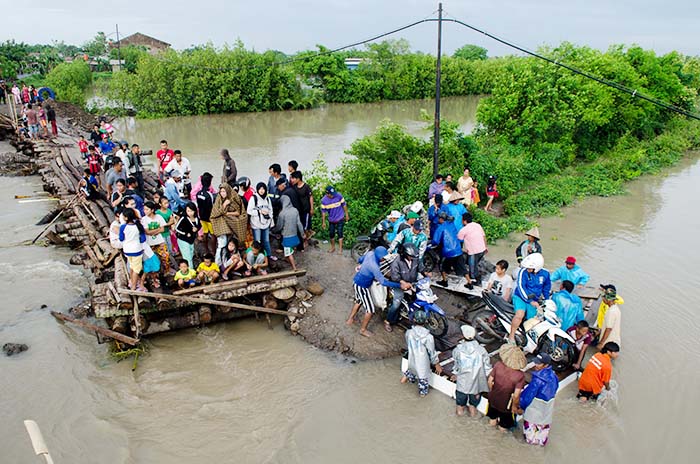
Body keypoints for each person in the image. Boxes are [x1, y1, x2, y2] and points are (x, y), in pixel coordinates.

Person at [346, 246, 407, 337]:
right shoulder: (374, 266)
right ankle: (363, 330)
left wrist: (362, 266)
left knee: (359, 301)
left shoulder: (370, 253)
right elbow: (383, 282)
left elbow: (360, 259)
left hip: (357, 282)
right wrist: (399, 285)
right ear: (379, 257)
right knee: (370, 310)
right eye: (383, 258)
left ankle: (350, 319)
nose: (383, 259)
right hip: (362, 286)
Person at [519, 353, 559, 446]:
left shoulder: (537, 380)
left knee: (529, 440)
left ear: (546, 365)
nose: (536, 365)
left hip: (533, 414)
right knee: (541, 441)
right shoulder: (554, 377)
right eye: (536, 362)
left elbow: (527, 397)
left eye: (539, 363)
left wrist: (520, 406)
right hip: (546, 414)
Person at [451, 325, 491, 417]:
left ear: (463, 336)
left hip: (462, 384)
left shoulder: (458, 350)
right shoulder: (481, 350)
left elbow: (457, 365)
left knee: (460, 408)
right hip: (476, 385)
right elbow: (487, 367)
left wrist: (455, 374)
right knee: (473, 408)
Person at [509, 253, 551, 342]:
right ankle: (511, 336)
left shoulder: (545, 274)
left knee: (533, 320)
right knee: (520, 315)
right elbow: (521, 287)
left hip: (534, 299)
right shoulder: (523, 272)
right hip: (521, 297)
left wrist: (547, 301)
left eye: (530, 268)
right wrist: (530, 301)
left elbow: (546, 288)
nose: (528, 269)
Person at [401, 309, 442, 396]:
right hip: (422, 364)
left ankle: (402, 383)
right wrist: (436, 364)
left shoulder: (409, 333)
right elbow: (432, 352)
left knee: (410, 372)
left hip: (412, 361)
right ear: (426, 321)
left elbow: (408, 344)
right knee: (423, 390)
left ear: (414, 320)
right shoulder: (429, 337)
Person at [487, 344, 526, 431]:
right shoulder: (520, 375)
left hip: (493, 399)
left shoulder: (498, 365)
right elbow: (516, 395)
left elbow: (490, 381)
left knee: (492, 420)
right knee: (503, 427)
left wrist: (491, 392)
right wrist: (515, 406)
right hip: (506, 405)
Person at [384, 243, 420, 332]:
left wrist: (427, 273)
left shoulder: (415, 259)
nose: (412, 258)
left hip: (411, 283)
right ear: (404, 254)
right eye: (410, 256)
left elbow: (420, 267)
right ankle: (387, 321)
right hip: (399, 285)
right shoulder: (397, 262)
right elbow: (395, 276)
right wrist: (403, 283)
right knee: (396, 304)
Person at [211, 183, 248, 265]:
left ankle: (228, 263)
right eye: (221, 191)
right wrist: (224, 205)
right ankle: (218, 263)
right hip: (221, 223)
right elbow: (214, 214)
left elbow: (239, 212)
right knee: (222, 244)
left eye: (224, 191)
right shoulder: (218, 200)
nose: (223, 193)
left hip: (231, 222)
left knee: (230, 244)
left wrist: (227, 213)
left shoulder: (234, 198)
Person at [432, 212, 468, 288]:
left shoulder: (440, 228)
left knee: (442, 266)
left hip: (448, 252)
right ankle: (470, 282)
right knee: (462, 267)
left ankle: (445, 281)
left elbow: (435, 241)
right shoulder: (452, 225)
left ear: (441, 219)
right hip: (458, 250)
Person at [119, 208, 147, 291]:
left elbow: (121, 238)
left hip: (127, 250)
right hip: (137, 250)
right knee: (136, 269)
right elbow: (143, 239)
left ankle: (132, 281)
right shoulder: (138, 226)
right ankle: (134, 286)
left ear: (126, 218)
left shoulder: (123, 227)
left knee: (131, 266)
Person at [457, 212, 487, 288]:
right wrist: (486, 247)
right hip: (482, 249)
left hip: (474, 252)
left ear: (464, 221)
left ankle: (476, 280)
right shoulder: (478, 225)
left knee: (472, 269)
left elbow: (459, 239)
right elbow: (484, 236)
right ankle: (475, 275)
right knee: (474, 264)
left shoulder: (464, 230)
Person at [275, 196, 305, 270]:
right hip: (295, 235)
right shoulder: (295, 210)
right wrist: (302, 233)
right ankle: (288, 259)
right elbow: (299, 223)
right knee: (289, 251)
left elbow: (279, 226)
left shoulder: (282, 213)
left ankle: (294, 268)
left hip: (287, 237)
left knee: (289, 253)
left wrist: (275, 231)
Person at [141, 201, 169, 281]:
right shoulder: (144, 219)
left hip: (160, 241)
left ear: (152, 210)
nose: (145, 211)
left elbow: (163, 229)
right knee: (151, 260)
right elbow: (147, 232)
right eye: (144, 210)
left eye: (147, 209)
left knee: (165, 257)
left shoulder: (159, 217)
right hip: (149, 243)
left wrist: (154, 231)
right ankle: (153, 276)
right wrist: (158, 229)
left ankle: (166, 272)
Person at [247, 182, 275, 259]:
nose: (262, 191)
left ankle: (268, 256)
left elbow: (271, 210)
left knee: (266, 241)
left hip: (265, 223)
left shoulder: (267, 199)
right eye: (260, 189)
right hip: (256, 224)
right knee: (257, 241)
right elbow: (249, 211)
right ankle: (258, 257)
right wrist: (259, 212)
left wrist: (270, 218)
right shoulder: (253, 198)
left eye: (263, 189)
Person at [194, 172, 217, 257]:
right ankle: (213, 252)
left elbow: (199, 205)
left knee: (205, 233)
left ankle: (206, 250)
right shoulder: (209, 195)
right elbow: (211, 207)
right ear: (209, 182)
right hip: (209, 218)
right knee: (213, 234)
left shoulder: (198, 194)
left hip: (202, 217)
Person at [320, 185, 349, 253]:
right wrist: (323, 222)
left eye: (333, 194)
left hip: (340, 218)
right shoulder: (324, 201)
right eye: (331, 194)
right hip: (331, 219)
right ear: (327, 194)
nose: (333, 195)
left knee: (340, 233)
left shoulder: (339, 196)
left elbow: (344, 205)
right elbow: (323, 212)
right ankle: (333, 247)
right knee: (331, 233)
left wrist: (346, 214)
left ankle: (340, 249)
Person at [175, 202, 201, 269]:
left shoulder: (197, 219)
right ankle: (190, 272)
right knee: (187, 257)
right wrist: (186, 233)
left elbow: (199, 226)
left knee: (191, 255)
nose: (190, 213)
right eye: (188, 211)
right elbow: (177, 228)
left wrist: (197, 229)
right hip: (183, 239)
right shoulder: (184, 218)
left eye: (191, 211)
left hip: (191, 240)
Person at [290, 171, 314, 237]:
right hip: (298, 210)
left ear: (298, 179)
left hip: (306, 209)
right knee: (300, 224)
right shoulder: (294, 187)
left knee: (305, 226)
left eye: (293, 178)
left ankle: (306, 239)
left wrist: (312, 208)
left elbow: (311, 197)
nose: (292, 180)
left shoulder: (306, 187)